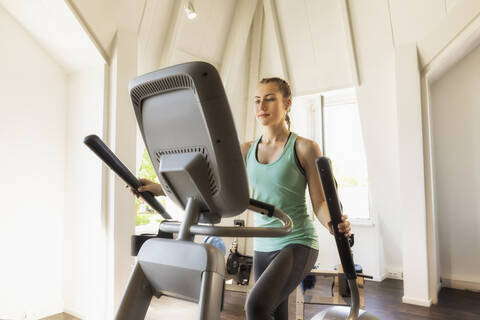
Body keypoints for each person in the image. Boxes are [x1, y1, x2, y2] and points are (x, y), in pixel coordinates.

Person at [129, 77, 351, 320]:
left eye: (269, 99)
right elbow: (208, 183)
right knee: (276, 314)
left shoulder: (304, 148)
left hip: (297, 241)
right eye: (257, 101)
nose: (261, 107)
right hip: (263, 245)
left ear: (287, 103)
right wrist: (158, 188)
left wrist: (332, 222)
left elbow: (319, 203)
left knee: (255, 307)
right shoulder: (245, 151)